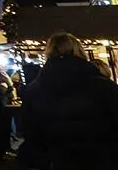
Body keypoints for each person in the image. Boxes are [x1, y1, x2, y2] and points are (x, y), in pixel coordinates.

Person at [19, 32, 118, 170]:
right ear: (79, 51)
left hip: (58, 160)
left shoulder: (34, 91)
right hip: (102, 159)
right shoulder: (104, 87)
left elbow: (30, 132)